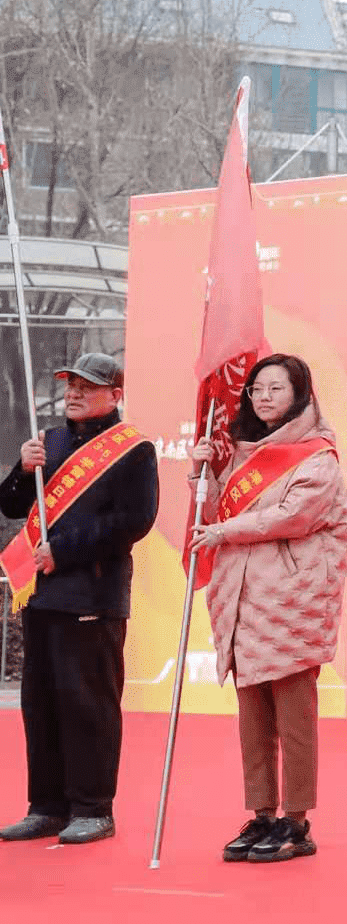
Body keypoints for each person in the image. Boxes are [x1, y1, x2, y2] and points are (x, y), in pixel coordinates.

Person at [188, 353, 347, 864]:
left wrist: (224, 530)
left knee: (295, 718)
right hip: (242, 602)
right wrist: (200, 474)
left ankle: (296, 822)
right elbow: (211, 512)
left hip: (291, 603)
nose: (263, 398)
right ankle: (261, 814)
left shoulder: (317, 457)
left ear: (300, 393)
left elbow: (292, 517)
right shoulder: (237, 452)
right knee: (252, 717)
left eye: (276, 389)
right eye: (257, 389)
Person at [0, 353, 158, 846]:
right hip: (42, 597)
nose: (73, 393)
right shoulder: (47, 442)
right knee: (40, 704)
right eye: (69, 384)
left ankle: (93, 807)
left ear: (114, 395)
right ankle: (46, 805)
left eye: (87, 387)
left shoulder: (134, 450)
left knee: (88, 704)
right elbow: (9, 505)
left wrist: (62, 551)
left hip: (93, 592)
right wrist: (23, 472)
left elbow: (134, 520)